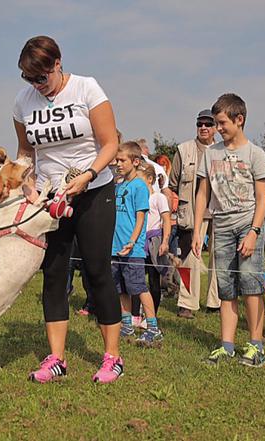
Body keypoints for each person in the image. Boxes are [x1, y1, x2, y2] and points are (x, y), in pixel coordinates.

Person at [13, 35, 123, 383]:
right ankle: (56, 359)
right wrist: (28, 187)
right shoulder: (23, 102)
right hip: (52, 197)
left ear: (57, 63)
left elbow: (110, 143)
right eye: (29, 78)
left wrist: (89, 175)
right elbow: (24, 152)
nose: (36, 85)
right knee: (54, 274)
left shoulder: (86, 89)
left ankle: (112, 358)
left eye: (40, 77)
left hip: (93, 191)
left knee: (96, 271)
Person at [192, 93, 265, 367]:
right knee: (225, 287)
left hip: (247, 223)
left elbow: (263, 198)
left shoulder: (255, 154)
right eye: (215, 123)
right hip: (221, 225)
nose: (217, 128)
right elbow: (202, 193)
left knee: (250, 283)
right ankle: (227, 345)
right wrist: (199, 228)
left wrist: (254, 231)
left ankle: (256, 345)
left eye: (222, 123)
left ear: (240, 120)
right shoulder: (211, 153)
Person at [169, 109, 221, 319]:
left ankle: (215, 302)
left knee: (219, 258)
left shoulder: (223, 150)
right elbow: (173, 183)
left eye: (209, 124)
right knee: (190, 259)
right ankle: (186, 303)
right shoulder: (183, 150)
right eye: (200, 124)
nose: (204, 128)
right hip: (191, 213)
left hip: (219, 211)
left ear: (216, 127)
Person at [112, 142, 164, 347]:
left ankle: (153, 327)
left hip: (132, 248)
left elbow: (140, 217)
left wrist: (132, 241)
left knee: (139, 287)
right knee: (121, 288)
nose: (118, 164)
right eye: (117, 160)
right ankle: (126, 324)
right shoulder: (119, 185)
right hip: (115, 246)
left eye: (122, 160)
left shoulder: (139, 186)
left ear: (135, 161)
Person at [140, 164, 171, 316]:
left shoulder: (159, 198)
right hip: (139, 241)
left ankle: (153, 314)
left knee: (153, 280)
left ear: (150, 179)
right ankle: (136, 314)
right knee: (137, 279)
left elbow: (166, 220)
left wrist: (165, 241)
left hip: (154, 241)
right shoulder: (137, 198)